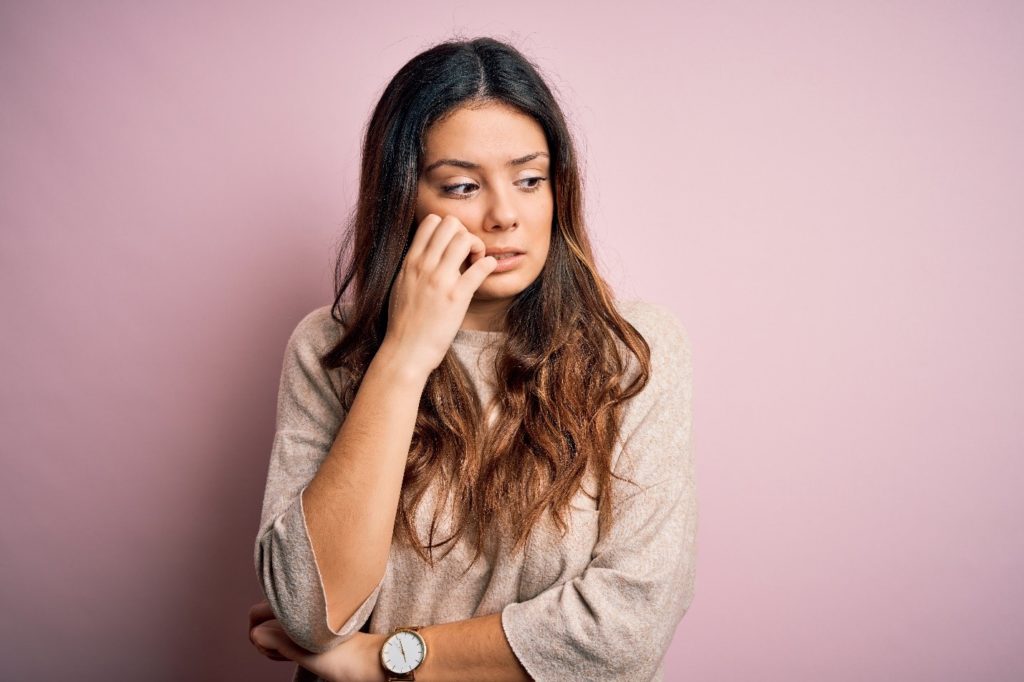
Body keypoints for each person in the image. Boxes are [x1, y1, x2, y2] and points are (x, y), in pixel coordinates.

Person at [247, 36, 697, 682]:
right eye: (461, 186)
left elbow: (625, 631)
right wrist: (404, 356)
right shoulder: (328, 352)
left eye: (529, 179)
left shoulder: (633, 355)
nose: (504, 214)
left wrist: (382, 661)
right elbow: (307, 611)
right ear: (403, 199)